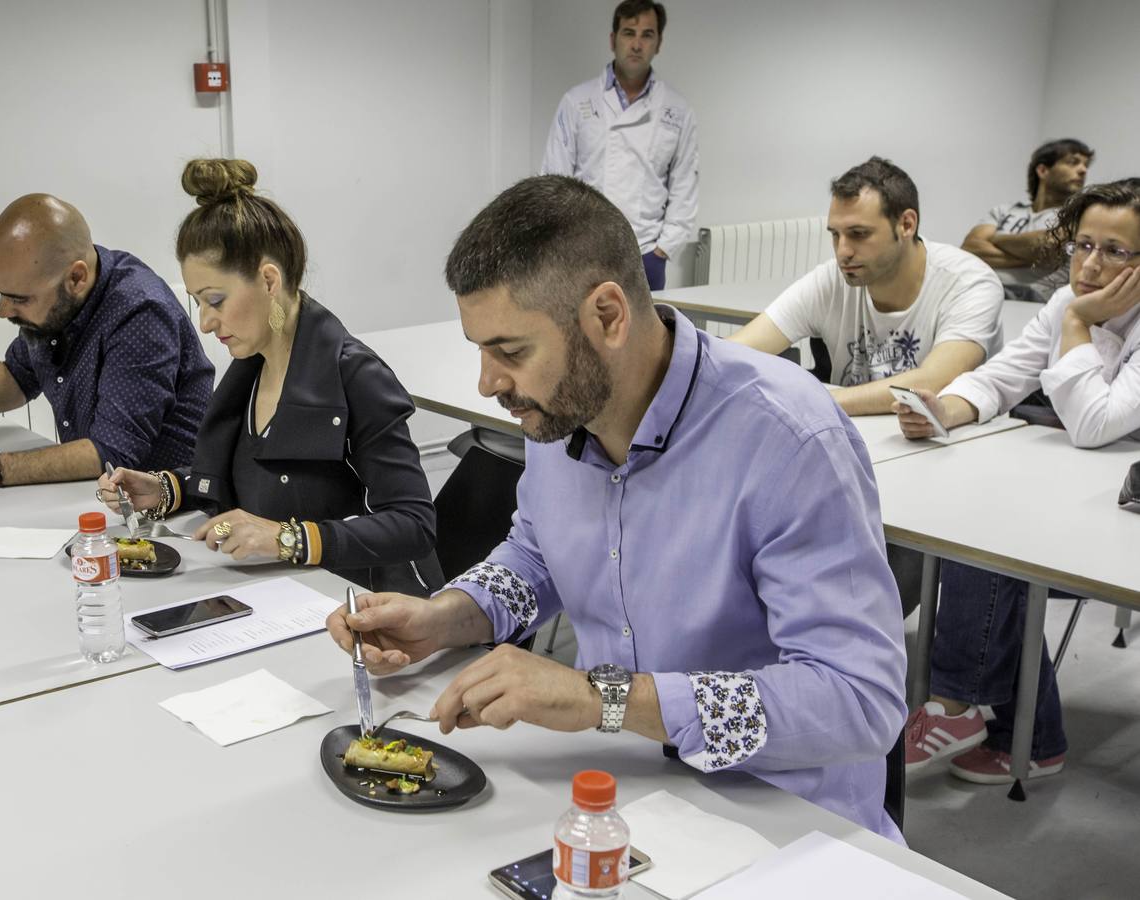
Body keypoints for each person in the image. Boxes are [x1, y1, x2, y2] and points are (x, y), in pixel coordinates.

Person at [325, 175, 907, 840]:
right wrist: (448, 617)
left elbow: (860, 702)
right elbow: (538, 555)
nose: (487, 384)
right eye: (480, 352)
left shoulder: (787, 439)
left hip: (780, 818)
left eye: (509, 351)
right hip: (616, 793)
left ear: (607, 315)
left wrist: (602, 700)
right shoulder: (560, 411)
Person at [101, 160, 443, 596]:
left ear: (268, 280)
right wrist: (167, 490)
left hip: (365, 602)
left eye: (216, 300)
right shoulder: (251, 368)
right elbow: (260, 480)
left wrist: (287, 538)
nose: (205, 323)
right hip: (285, 596)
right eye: (199, 303)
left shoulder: (357, 376)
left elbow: (413, 525)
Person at [896, 179, 1140, 784]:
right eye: (1082, 244)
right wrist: (943, 408)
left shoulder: (1076, 311)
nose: (1088, 264)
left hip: (1123, 528)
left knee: (994, 548)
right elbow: (1001, 378)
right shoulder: (1065, 305)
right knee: (981, 536)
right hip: (1078, 499)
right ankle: (1018, 735)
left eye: (1115, 251)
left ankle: (960, 704)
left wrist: (1080, 322)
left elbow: (1094, 425)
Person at [0, 194, 213, 496]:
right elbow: (19, 374)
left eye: (18, 298)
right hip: (101, 495)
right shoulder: (59, 298)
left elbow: (111, 453)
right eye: (0, 293)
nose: (3, 310)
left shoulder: (139, 312)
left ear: (76, 278)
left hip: (172, 510)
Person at [729, 157, 1004, 416]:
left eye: (859, 234)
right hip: (857, 438)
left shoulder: (969, 283)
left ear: (906, 225)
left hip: (951, 449)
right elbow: (736, 353)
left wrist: (813, 402)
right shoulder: (832, 280)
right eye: (835, 235)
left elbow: (932, 381)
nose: (843, 251)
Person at [540, 0, 698, 292]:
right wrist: (567, 245)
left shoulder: (676, 110)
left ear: (658, 43)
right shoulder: (577, 102)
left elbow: (684, 186)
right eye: (629, 32)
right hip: (584, 253)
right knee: (583, 336)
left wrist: (663, 250)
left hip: (647, 254)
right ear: (613, 40)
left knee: (645, 337)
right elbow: (553, 180)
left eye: (647, 35)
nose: (637, 44)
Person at [961, 139, 1093, 303]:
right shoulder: (1003, 211)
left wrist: (995, 239)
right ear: (1043, 170)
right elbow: (969, 248)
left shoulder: (1078, 216)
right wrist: (1033, 256)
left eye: (1086, 165)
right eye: (1073, 162)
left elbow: (1050, 245)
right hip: (980, 289)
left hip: (1030, 299)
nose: (1083, 170)